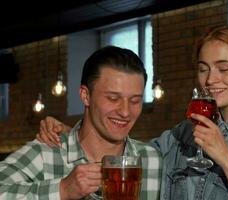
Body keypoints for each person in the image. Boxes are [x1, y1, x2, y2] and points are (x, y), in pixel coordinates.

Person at [37, 25, 228, 200]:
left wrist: (226, 158)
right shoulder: (182, 134)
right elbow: (125, 156)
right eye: (203, 68)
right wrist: (77, 131)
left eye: (223, 68)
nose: (211, 79)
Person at [0, 46, 162, 200]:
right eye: (113, 98)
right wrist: (63, 190)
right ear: (85, 96)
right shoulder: (47, 153)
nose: (125, 112)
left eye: (135, 100)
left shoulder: (152, 159)